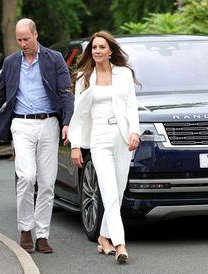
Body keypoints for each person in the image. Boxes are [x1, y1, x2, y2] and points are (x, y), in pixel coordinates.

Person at [0, 18, 74, 254]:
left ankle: (42, 234)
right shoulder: (11, 63)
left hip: (49, 124)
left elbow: (65, 93)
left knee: (46, 182)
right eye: (19, 39)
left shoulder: (54, 59)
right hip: (21, 125)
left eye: (26, 39)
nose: (22, 43)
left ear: (36, 35)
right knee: (26, 176)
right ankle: (25, 228)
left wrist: (67, 122)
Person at [68, 30, 140, 264]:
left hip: (121, 137)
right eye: (94, 48)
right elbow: (79, 114)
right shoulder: (83, 77)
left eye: (101, 47)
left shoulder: (124, 74)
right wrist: (76, 146)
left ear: (110, 51)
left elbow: (131, 105)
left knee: (117, 192)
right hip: (98, 137)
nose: (97, 51)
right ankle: (120, 245)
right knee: (108, 191)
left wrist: (134, 132)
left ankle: (103, 237)